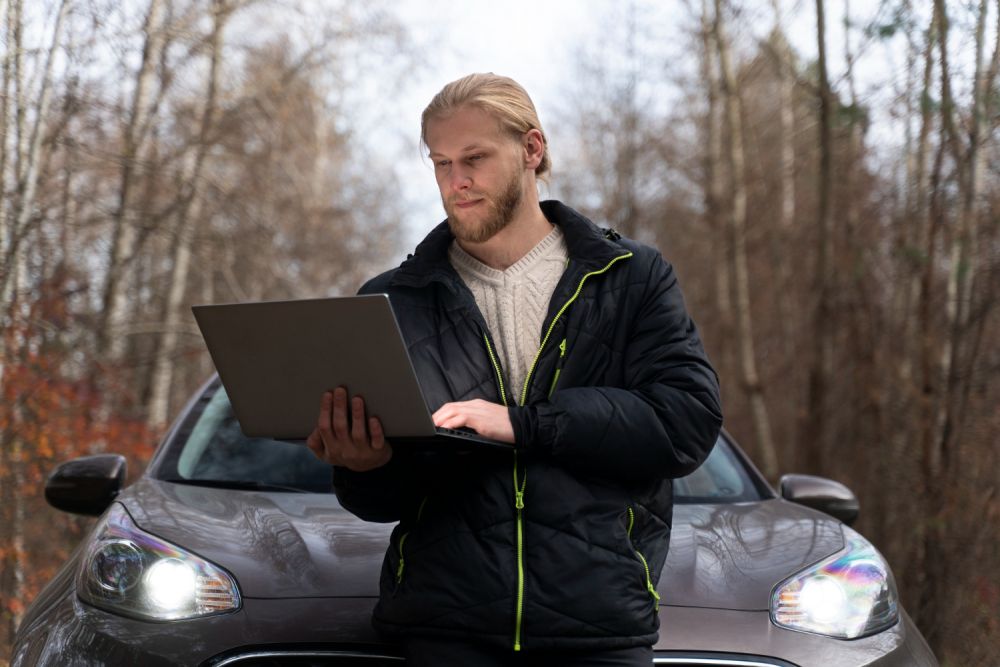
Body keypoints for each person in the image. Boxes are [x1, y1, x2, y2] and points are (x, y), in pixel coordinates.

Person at [306, 73, 722, 666]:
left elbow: (686, 423)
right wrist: (363, 466)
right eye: (441, 163)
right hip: (444, 631)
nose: (457, 182)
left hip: (599, 631)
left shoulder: (632, 277)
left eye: (474, 158)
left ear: (532, 149)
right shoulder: (392, 300)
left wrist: (526, 424)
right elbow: (382, 502)